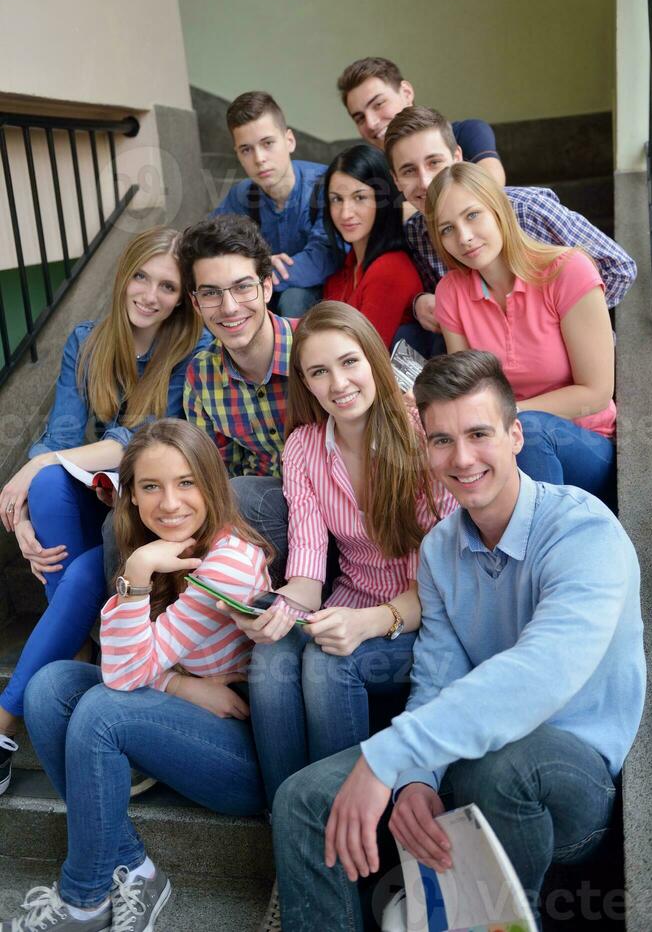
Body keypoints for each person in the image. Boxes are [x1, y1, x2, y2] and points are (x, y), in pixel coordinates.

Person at [271, 350, 645, 932]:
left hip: (572, 776)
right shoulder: (441, 547)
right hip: (471, 753)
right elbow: (437, 677)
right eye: (442, 440)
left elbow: (538, 676)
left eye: (479, 434)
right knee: (302, 799)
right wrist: (417, 778)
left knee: (493, 769)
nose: (462, 458)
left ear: (515, 434)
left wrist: (393, 757)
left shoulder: (584, 531)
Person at [2, 418, 271, 932]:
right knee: (50, 687)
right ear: (131, 497)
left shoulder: (226, 562)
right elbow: (128, 663)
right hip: (180, 715)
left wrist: (138, 574)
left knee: (102, 710)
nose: (169, 503)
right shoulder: (160, 549)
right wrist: (179, 682)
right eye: (151, 486)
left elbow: (122, 677)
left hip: (239, 759)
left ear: (211, 483)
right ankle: (134, 868)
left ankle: (83, 900)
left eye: (185, 482)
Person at [0, 228, 210, 791]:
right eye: (142, 277)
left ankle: (6, 717)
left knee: (88, 565)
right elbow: (60, 434)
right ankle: (84, 648)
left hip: (152, 497)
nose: (150, 294)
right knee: (48, 496)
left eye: (168, 286)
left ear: (183, 296)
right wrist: (20, 516)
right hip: (101, 486)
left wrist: (34, 465)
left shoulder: (193, 349)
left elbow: (134, 439)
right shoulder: (87, 340)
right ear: (124, 275)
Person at [227, 301, 457, 811]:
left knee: (329, 663)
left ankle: (335, 823)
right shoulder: (305, 448)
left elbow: (448, 580)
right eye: (319, 372)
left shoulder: (425, 433)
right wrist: (273, 611)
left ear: (373, 360)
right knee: (272, 654)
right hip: (350, 603)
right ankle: (287, 820)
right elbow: (307, 574)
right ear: (306, 383)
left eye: (349, 362)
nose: (339, 383)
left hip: (425, 618)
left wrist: (371, 621)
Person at [427, 161, 617, 506]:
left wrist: (507, 415)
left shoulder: (568, 270)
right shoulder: (450, 293)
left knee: (528, 431)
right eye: (447, 229)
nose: (464, 237)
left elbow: (597, 392)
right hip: (503, 444)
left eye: (472, 215)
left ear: (499, 210)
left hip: (586, 442)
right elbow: (468, 392)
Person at [384, 106, 637, 346]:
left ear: (458, 157)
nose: (426, 181)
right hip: (496, 369)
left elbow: (618, 267)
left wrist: (567, 320)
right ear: (396, 180)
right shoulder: (417, 232)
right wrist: (418, 303)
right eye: (408, 171)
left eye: (434, 162)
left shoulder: (527, 209)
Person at [178, 214, 296, 580]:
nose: (229, 308)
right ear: (196, 304)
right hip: (257, 523)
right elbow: (215, 474)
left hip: (336, 512)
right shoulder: (202, 375)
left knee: (242, 495)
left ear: (267, 287)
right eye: (212, 293)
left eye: (242, 287)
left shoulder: (316, 349)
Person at [211, 91, 339, 316]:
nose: (259, 159)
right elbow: (211, 242)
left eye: (267, 143)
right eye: (246, 149)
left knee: (294, 298)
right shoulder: (242, 196)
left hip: (322, 290)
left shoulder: (326, 185)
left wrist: (256, 274)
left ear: (289, 140)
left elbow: (322, 258)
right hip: (261, 287)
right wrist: (257, 269)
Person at [337, 56, 505, 185]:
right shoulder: (368, 171)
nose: (371, 123)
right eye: (359, 118)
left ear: (406, 93)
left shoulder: (467, 132)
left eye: (379, 104)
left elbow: (491, 185)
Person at [322, 144, 422, 348]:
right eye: (337, 199)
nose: (345, 213)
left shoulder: (390, 268)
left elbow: (363, 354)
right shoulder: (346, 269)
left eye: (360, 197)